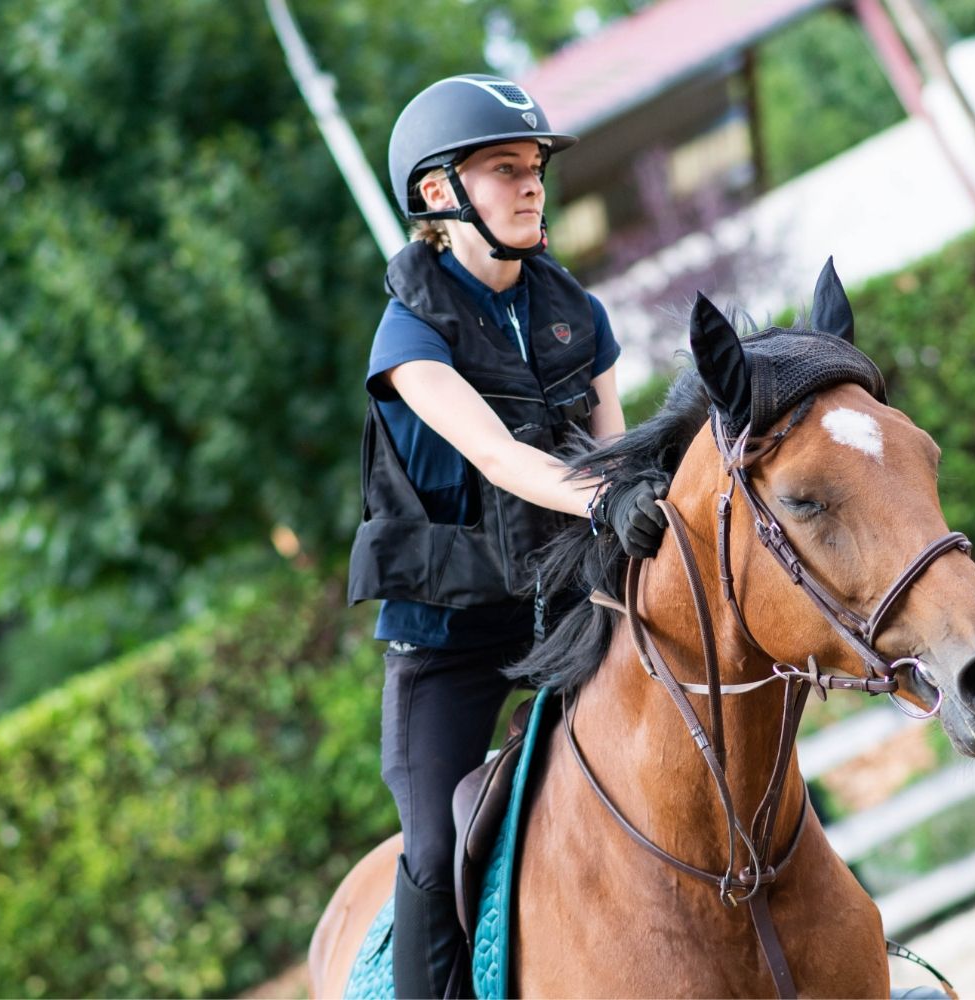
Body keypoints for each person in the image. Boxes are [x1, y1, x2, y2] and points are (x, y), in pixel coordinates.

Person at [347, 73, 669, 1000]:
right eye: (504, 170)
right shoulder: (406, 339)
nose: (532, 186)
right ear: (440, 194)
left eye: (534, 169)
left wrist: (646, 502)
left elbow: (617, 449)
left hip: (570, 606)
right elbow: (498, 459)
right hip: (449, 647)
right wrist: (606, 500)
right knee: (436, 845)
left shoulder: (579, 313)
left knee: (709, 727)